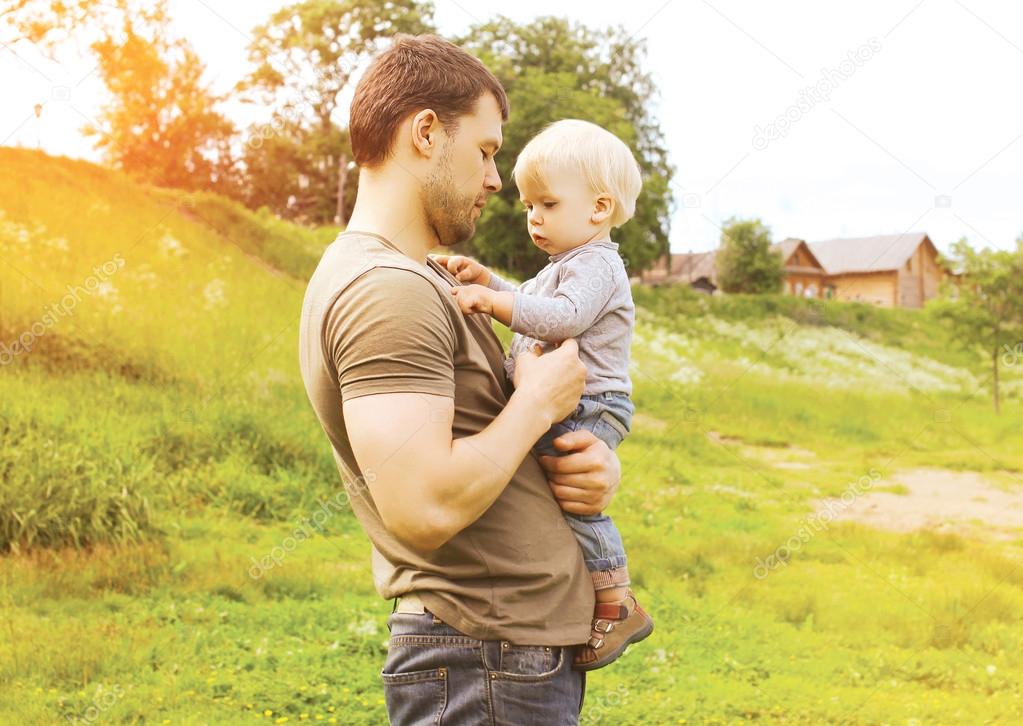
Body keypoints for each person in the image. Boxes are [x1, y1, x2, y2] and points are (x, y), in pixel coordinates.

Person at [298, 35, 623, 724]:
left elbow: (484, 439)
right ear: (424, 133)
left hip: (500, 660)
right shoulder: (385, 290)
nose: (497, 180)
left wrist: (586, 466)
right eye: (484, 151)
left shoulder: (418, 278)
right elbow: (424, 506)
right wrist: (534, 406)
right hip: (483, 662)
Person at [436, 119, 653, 672]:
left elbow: (563, 317)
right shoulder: (565, 265)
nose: (533, 216)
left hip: (591, 401)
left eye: (548, 203)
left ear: (599, 209)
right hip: (573, 396)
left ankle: (616, 598)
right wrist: (490, 283)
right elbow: (529, 301)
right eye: (529, 205)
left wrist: (490, 305)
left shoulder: (599, 265)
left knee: (566, 488)